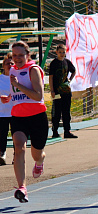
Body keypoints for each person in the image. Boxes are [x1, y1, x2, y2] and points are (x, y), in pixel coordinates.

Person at [0, 41, 47, 203]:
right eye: (14, 55)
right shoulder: (12, 70)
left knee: (36, 154)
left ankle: (40, 161)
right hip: (18, 117)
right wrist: (9, 98)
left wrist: (18, 86)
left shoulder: (33, 70)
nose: (17, 58)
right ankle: (22, 187)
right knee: (18, 148)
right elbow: (17, 93)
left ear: (28, 55)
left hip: (37, 117)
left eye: (21, 55)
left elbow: (38, 96)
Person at [49, 44, 77, 138]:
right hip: (57, 91)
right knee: (57, 112)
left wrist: (70, 79)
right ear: (56, 52)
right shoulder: (54, 63)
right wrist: (52, 90)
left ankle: (67, 131)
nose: (62, 54)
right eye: (60, 52)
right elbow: (51, 77)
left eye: (63, 52)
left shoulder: (67, 62)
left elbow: (74, 71)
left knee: (66, 111)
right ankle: (55, 131)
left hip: (66, 91)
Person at [0, 53, 13, 165]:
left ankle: (16, 155)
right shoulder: (0, 79)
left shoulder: (17, 78)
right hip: (2, 112)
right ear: (3, 65)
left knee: (16, 135)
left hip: (15, 112)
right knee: (2, 135)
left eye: (11, 63)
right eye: (7, 63)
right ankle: (2, 154)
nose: (9, 65)